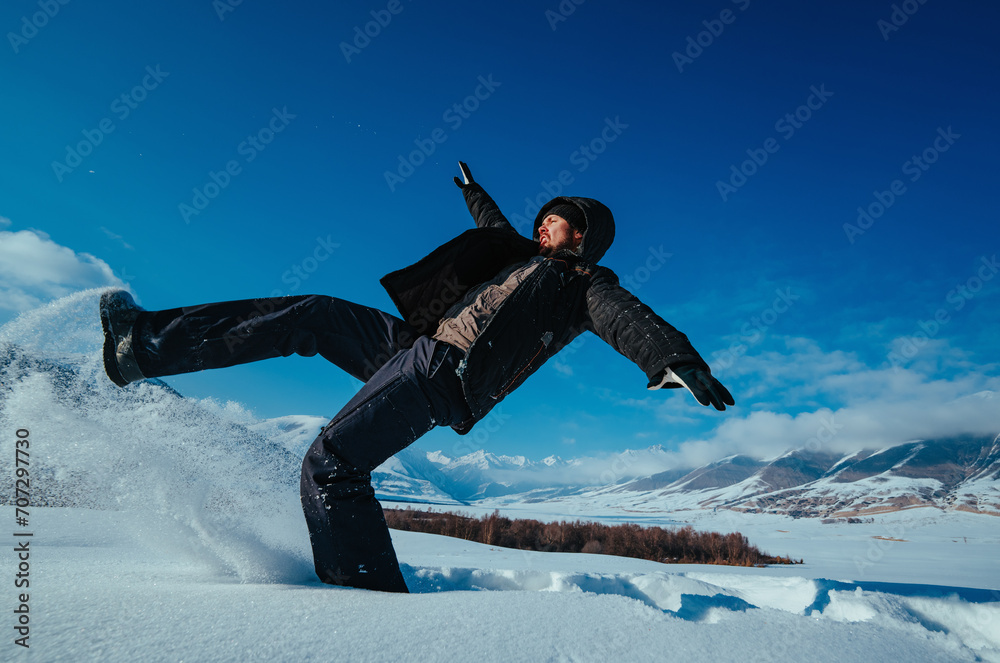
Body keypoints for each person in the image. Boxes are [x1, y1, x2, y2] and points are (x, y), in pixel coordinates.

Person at [99, 161, 734, 593]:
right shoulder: (520, 255)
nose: (544, 223)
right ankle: (142, 347)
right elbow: (495, 226)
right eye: (543, 215)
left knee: (332, 463)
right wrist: (472, 191)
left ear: (584, 236)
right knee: (315, 313)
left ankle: (366, 605)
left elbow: (628, 319)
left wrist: (675, 359)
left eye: (558, 218)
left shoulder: (581, 285)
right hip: (416, 347)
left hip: (444, 373)